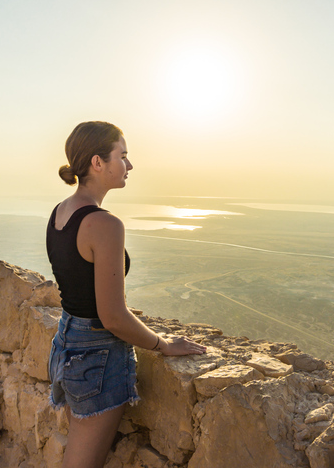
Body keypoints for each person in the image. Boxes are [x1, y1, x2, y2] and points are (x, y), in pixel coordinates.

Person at [46, 121, 206, 468]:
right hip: (96, 355)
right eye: (123, 156)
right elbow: (112, 316)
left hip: (66, 344)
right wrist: (163, 345)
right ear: (97, 162)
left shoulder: (60, 213)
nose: (129, 166)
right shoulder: (104, 224)